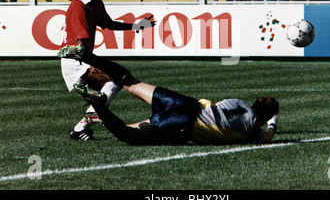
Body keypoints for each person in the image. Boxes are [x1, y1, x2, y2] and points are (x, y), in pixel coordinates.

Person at [57, 46, 280, 145]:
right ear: (263, 116)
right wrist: (273, 123)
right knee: (124, 134)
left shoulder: (239, 103)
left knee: (129, 80)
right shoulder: (252, 131)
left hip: (185, 103)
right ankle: (97, 103)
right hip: (184, 123)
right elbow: (266, 136)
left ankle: (88, 57)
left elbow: (219, 107)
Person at [59, 0, 156, 140]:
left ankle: (81, 127)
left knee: (111, 85)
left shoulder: (95, 2)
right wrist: (94, 63)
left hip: (85, 58)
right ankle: (91, 116)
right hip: (76, 60)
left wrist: (136, 26)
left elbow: (109, 24)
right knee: (115, 79)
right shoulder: (78, 6)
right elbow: (81, 44)